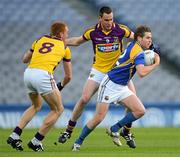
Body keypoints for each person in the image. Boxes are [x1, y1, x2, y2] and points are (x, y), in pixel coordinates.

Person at [71, 25, 160, 151]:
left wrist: (150, 51)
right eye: (148, 38)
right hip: (109, 84)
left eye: (151, 38)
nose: (150, 41)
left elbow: (138, 56)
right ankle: (77, 143)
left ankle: (115, 128)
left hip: (121, 86)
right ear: (139, 38)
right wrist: (156, 63)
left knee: (140, 110)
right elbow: (141, 73)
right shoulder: (138, 52)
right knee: (99, 117)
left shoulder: (132, 44)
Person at [58, 6, 137, 148]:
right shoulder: (93, 32)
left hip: (118, 71)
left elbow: (136, 38)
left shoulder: (120, 29)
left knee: (134, 100)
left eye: (111, 19)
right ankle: (68, 130)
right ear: (100, 18)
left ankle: (127, 131)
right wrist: (60, 42)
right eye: (106, 19)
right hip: (99, 70)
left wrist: (149, 45)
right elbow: (77, 41)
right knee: (84, 99)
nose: (109, 22)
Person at [7, 21, 72, 152]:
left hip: (28, 73)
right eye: (66, 33)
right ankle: (36, 141)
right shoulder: (65, 47)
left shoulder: (40, 39)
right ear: (60, 34)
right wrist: (60, 86)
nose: (67, 35)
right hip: (43, 75)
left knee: (36, 106)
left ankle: (14, 135)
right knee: (58, 109)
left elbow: (25, 59)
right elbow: (68, 76)